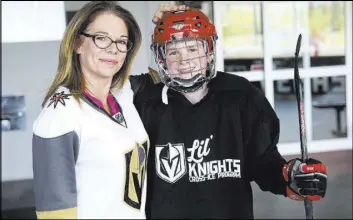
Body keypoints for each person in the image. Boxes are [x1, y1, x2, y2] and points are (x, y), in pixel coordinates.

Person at [130, 7, 328, 219]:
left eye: (193, 49)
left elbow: (263, 161)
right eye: (173, 51)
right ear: (161, 57)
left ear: (209, 50)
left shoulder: (240, 95)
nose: (184, 60)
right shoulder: (144, 101)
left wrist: (291, 176)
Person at [31, 1, 150, 219]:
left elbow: (172, 76)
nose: (113, 49)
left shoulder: (123, 94)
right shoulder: (60, 113)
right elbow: (55, 212)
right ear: (77, 43)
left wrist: (169, 23)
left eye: (122, 41)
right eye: (101, 38)